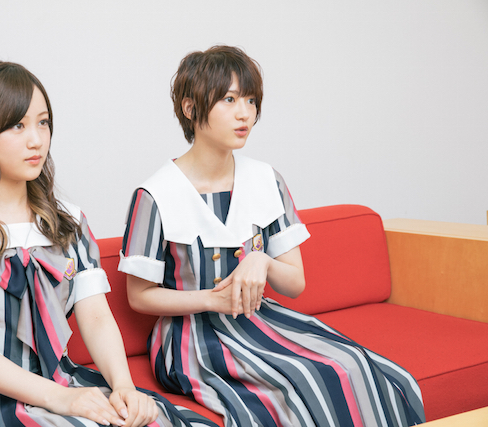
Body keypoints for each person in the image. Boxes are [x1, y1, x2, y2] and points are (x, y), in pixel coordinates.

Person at [0, 61, 215, 427]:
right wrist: (63, 400)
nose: (36, 140)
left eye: (43, 122)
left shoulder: (68, 221)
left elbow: (96, 317)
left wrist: (124, 387)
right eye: (17, 125)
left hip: (62, 384)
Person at [119, 46, 425, 427]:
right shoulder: (155, 194)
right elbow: (138, 296)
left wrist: (262, 260)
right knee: (302, 381)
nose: (245, 113)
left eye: (250, 100)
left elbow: (295, 283)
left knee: (355, 365)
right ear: (190, 108)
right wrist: (212, 300)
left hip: (259, 320)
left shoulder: (266, 180)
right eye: (229, 100)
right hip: (191, 339)